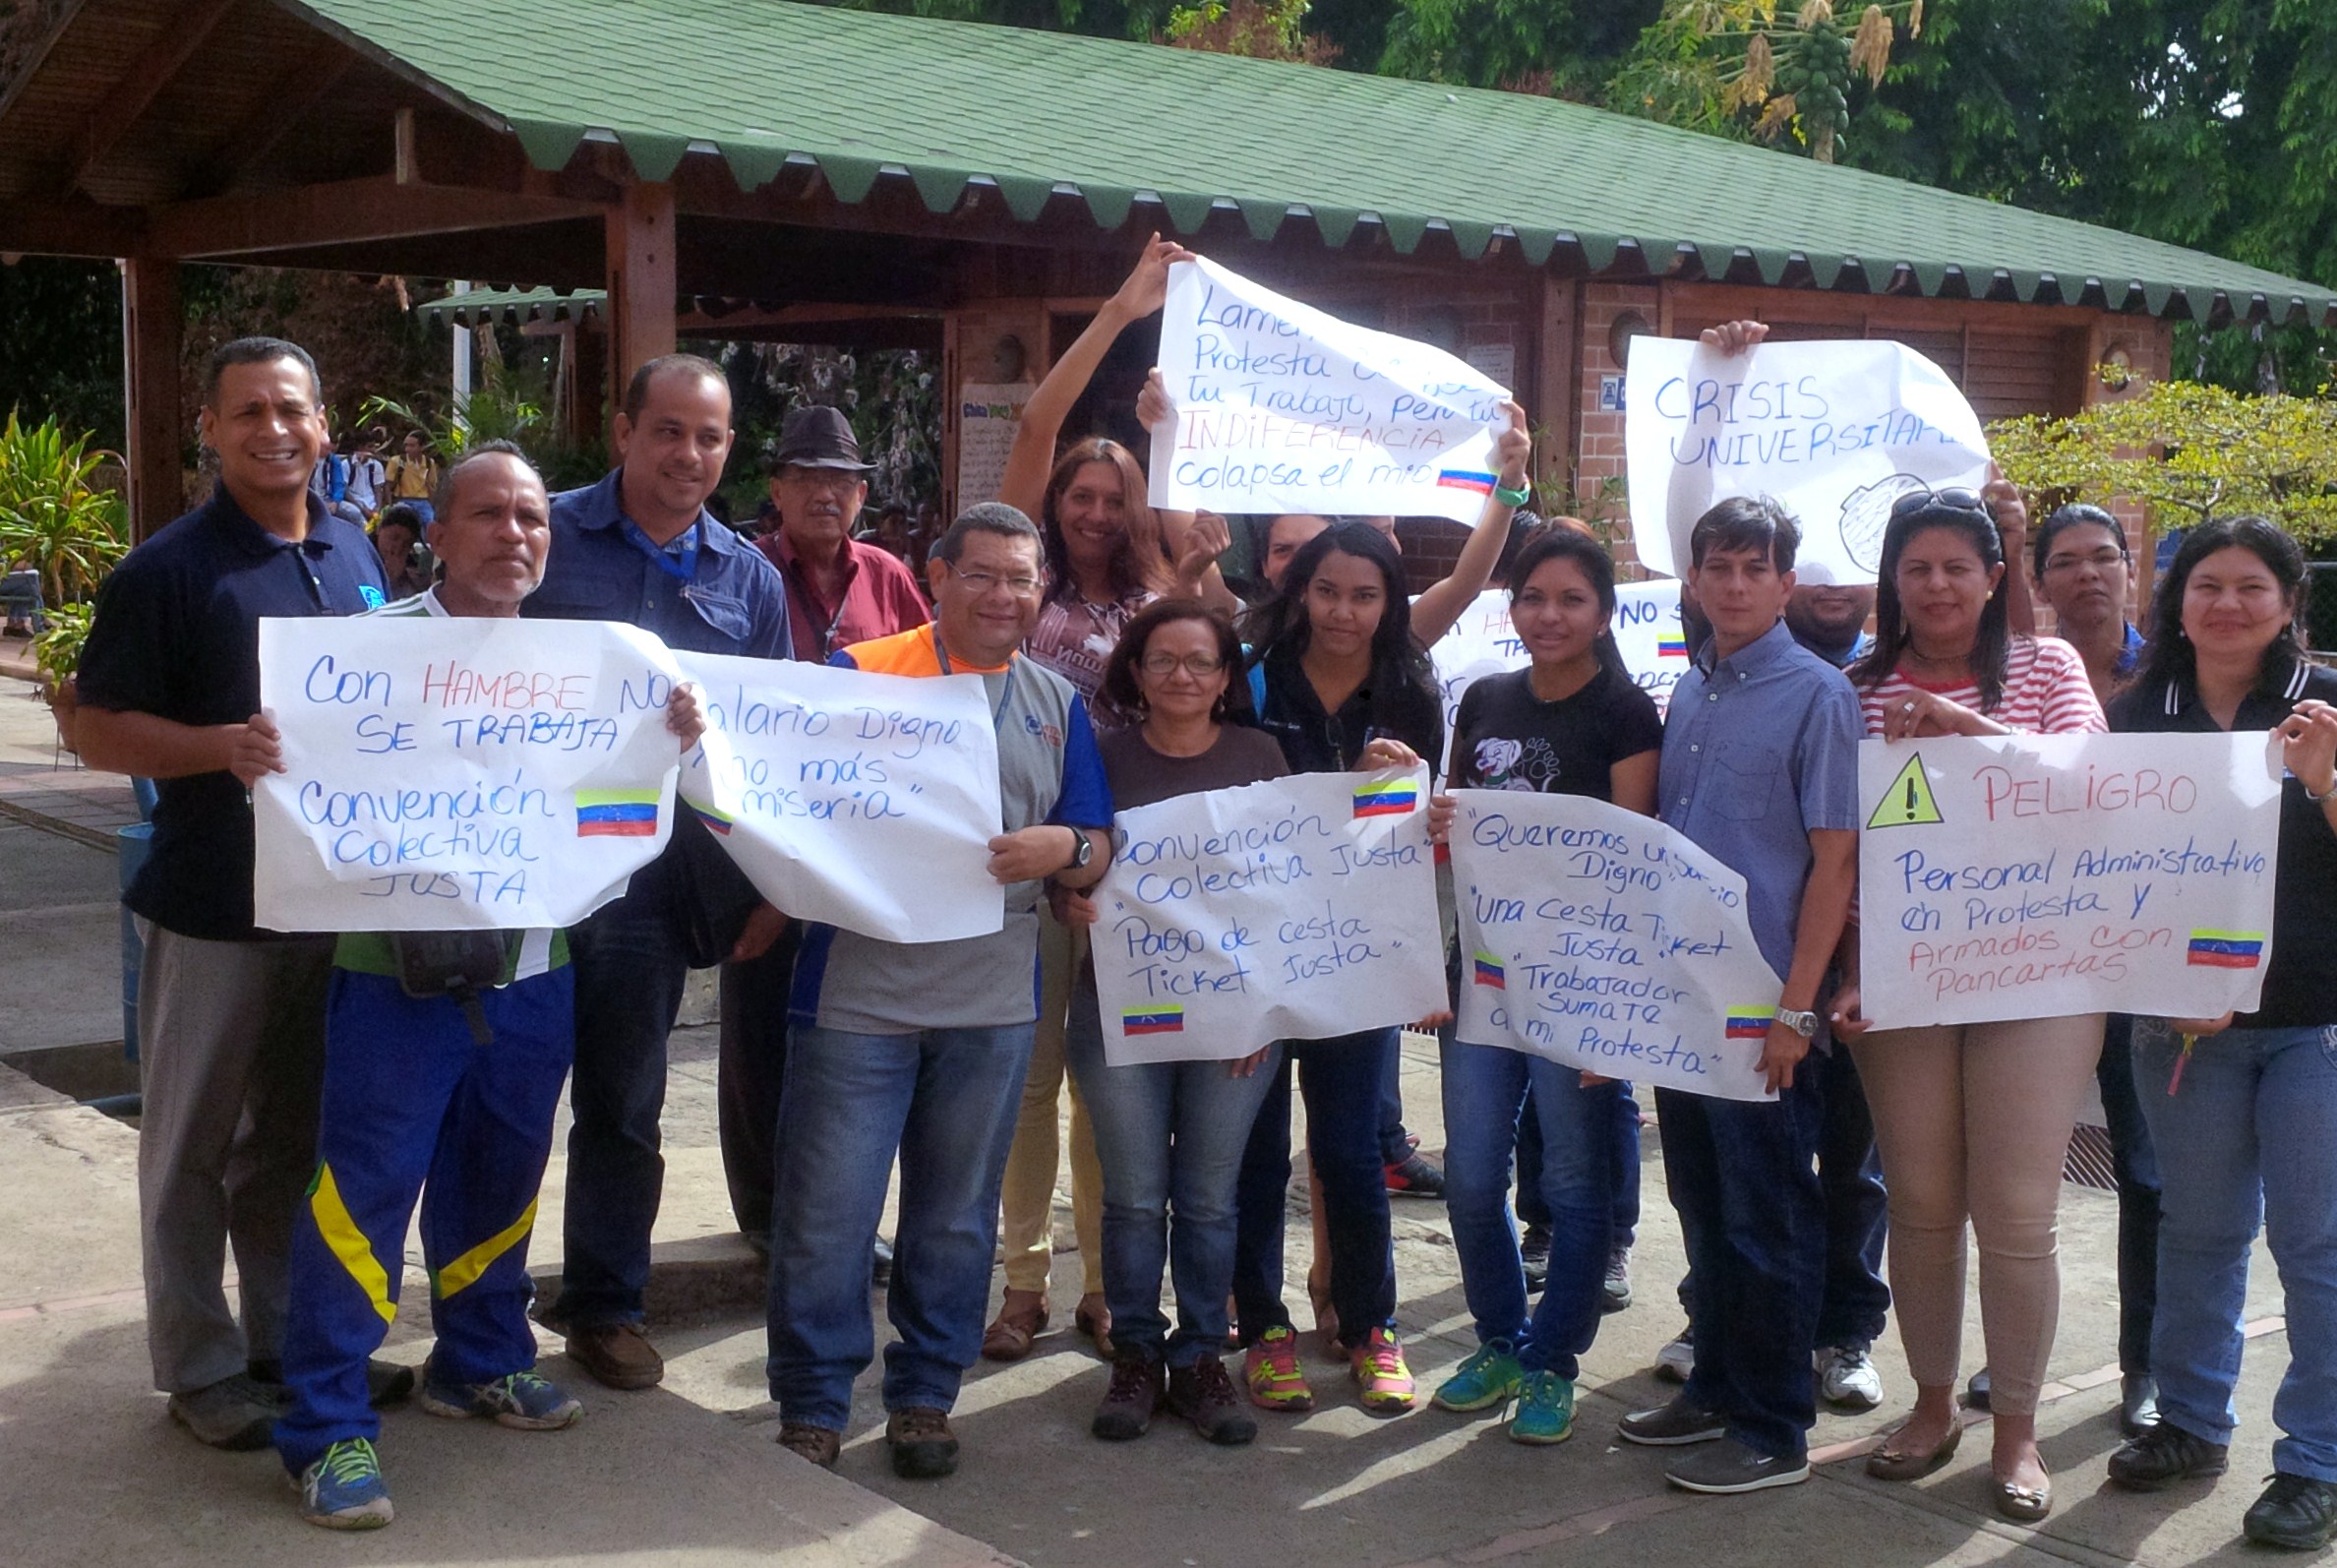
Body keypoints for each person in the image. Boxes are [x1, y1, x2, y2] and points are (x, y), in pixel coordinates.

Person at [269, 442, 708, 1529]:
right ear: (438, 537)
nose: (514, 534)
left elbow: (615, 804)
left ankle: (480, 1358)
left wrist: (672, 744)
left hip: (532, 970)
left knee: (506, 1175)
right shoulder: (362, 656)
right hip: (394, 976)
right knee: (361, 1196)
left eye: (531, 519)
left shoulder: (583, 669)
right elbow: (299, 780)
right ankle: (325, 1430)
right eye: (490, 516)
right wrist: (263, 747)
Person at [72, 336, 392, 1450]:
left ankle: (285, 1345)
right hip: (214, 907)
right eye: (247, 411)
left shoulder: (354, 552)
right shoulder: (165, 571)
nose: (273, 429)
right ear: (207, 429)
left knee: (294, 1148)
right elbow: (94, 720)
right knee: (191, 1147)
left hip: (330, 910)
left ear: (323, 423)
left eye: (291, 408)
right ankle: (201, 1367)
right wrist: (220, 747)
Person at [766, 503, 1112, 1478]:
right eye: (984, 575)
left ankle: (924, 1394)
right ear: (936, 574)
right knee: (828, 1214)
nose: (1004, 595)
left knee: (955, 1217)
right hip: (857, 999)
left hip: (993, 1005)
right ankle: (814, 1401)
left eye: (1022, 578)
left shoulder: (1055, 702)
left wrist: (1068, 848)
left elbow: (1096, 846)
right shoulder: (861, 675)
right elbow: (776, 795)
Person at [982, 237, 1237, 1365]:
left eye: (1111, 494)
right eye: (1077, 495)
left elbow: (1226, 653)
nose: (1090, 509)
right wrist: (1122, 306)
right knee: (1029, 1084)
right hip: (1033, 853)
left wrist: (1192, 525)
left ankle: (1104, 1282)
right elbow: (1037, 424)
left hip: (1138, 865)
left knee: (1111, 1080)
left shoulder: (1157, 589)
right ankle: (1023, 1280)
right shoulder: (1017, 580)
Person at [1832, 484, 2108, 1522]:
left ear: (1996, 577)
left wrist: (1963, 726)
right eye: (1918, 568)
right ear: (1892, 585)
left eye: (1958, 566)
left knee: (2020, 1214)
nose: (1938, 585)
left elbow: (2086, 783)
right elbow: (1850, 849)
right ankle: (1933, 1404)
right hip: (1903, 976)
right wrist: (1854, 968)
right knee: (1922, 1203)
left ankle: (2020, 1430)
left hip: (2042, 974)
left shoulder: (2048, 667)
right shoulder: (1856, 688)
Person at [521, 353, 792, 1392]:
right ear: (624, 430)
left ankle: (604, 1304)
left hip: (647, 887)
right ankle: (476, 1314)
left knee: (622, 1103)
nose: (688, 454)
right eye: (669, 430)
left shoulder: (747, 579)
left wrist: (765, 890)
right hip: (519, 865)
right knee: (493, 1093)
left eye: (710, 437)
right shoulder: (536, 531)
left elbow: (759, 754)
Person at [1613, 484, 1859, 1497]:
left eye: (1757, 567)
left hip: (1766, 1010)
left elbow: (1832, 866)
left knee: (1771, 1217)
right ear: (1695, 578)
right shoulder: (1692, 690)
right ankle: (1712, 1384)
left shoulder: (1818, 694)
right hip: (1686, 1003)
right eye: (1719, 565)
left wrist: (1799, 1009)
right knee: (1704, 1205)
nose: (1736, 582)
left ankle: (1773, 1423)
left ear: (1787, 583)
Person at [2099, 516, 2337, 1550]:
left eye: (2251, 586)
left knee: (2316, 1246)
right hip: (2182, 1029)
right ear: (2177, 599)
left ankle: (2316, 1460)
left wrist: (2328, 782)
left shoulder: (2326, 705)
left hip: (2313, 1026)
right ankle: (2190, 1424)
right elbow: (2094, 862)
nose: (2227, 605)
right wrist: (2156, 985)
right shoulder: (2138, 710)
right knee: (2196, 1232)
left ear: (2288, 602)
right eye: (2207, 585)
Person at [1428, 527, 1662, 1445]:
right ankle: (1499, 1339)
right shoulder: (1483, 698)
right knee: (1472, 1177)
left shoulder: (1627, 713)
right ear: (1512, 607)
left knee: (1572, 1180)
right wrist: (1437, 817)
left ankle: (1554, 1362)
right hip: (1480, 978)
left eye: (1571, 600)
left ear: (1602, 613)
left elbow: (1632, 856)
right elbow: (1452, 834)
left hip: (1578, 986)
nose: (1549, 616)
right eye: (1533, 598)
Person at [1050, 599, 1289, 1445]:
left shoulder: (1263, 758)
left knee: (1210, 1199)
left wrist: (1267, 1012)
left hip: (1237, 1022)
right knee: (1133, 1197)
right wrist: (1066, 897)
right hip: (1121, 1013)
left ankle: (1199, 1359)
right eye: (1162, 661)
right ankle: (1136, 1355)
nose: (1181, 676)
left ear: (1227, 677)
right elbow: (1066, 855)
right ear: (1136, 672)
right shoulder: (1102, 758)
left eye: (1200, 662)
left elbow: (1288, 894)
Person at [1229, 520, 1451, 1417]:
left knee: (1351, 1148)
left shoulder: (1412, 687)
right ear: (1299, 591)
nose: (1343, 612)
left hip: (1356, 953)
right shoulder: (1251, 673)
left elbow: (1423, 820)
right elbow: (1238, 809)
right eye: (1328, 592)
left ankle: (1369, 1329)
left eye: (1366, 596)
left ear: (1391, 603)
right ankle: (1263, 1329)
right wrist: (1347, 781)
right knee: (1249, 1149)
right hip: (1254, 945)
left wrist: (1428, 812)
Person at [716, 405, 930, 1249]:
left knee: (849, 1035)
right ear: (775, 489)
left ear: (862, 494)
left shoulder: (888, 576)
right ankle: (767, 1218)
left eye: (840, 481)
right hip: (759, 838)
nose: (824, 494)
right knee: (760, 1030)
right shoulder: (741, 570)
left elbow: (930, 679)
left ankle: (842, 1221)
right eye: (806, 477)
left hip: (861, 839)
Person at [2029, 500, 2157, 1436]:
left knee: (2148, 1173)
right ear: (2038, 581)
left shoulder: (2180, 676)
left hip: (2148, 963)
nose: (2085, 574)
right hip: (2031, 953)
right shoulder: (2022, 678)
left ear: (2129, 565)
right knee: (2023, 1173)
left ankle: (2145, 1367)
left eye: (2100, 556)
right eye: (2063, 560)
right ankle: (2017, 1358)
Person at [1777, 559, 1892, 1414]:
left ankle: (1845, 1332)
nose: (1829, 584)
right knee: (1759, 1172)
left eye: (1847, 571)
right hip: (1759, 975)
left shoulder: (1869, 688)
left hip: (1871, 977)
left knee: (1855, 1165)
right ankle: (1733, 1321)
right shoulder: (1712, 684)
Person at [370, 504, 431, 601]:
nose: (398, 548)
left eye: (407, 544)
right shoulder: (361, 553)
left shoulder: (413, 569)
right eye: (394, 538)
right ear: (379, 530)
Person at [382, 431, 441, 522]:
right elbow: (388, 486)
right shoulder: (397, 461)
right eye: (406, 445)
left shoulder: (429, 463)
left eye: (412, 446)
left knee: (429, 521)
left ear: (422, 447)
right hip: (402, 500)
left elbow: (431, 487)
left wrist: (433, 506)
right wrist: (389, 506)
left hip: (422, 501)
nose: (407, 449)